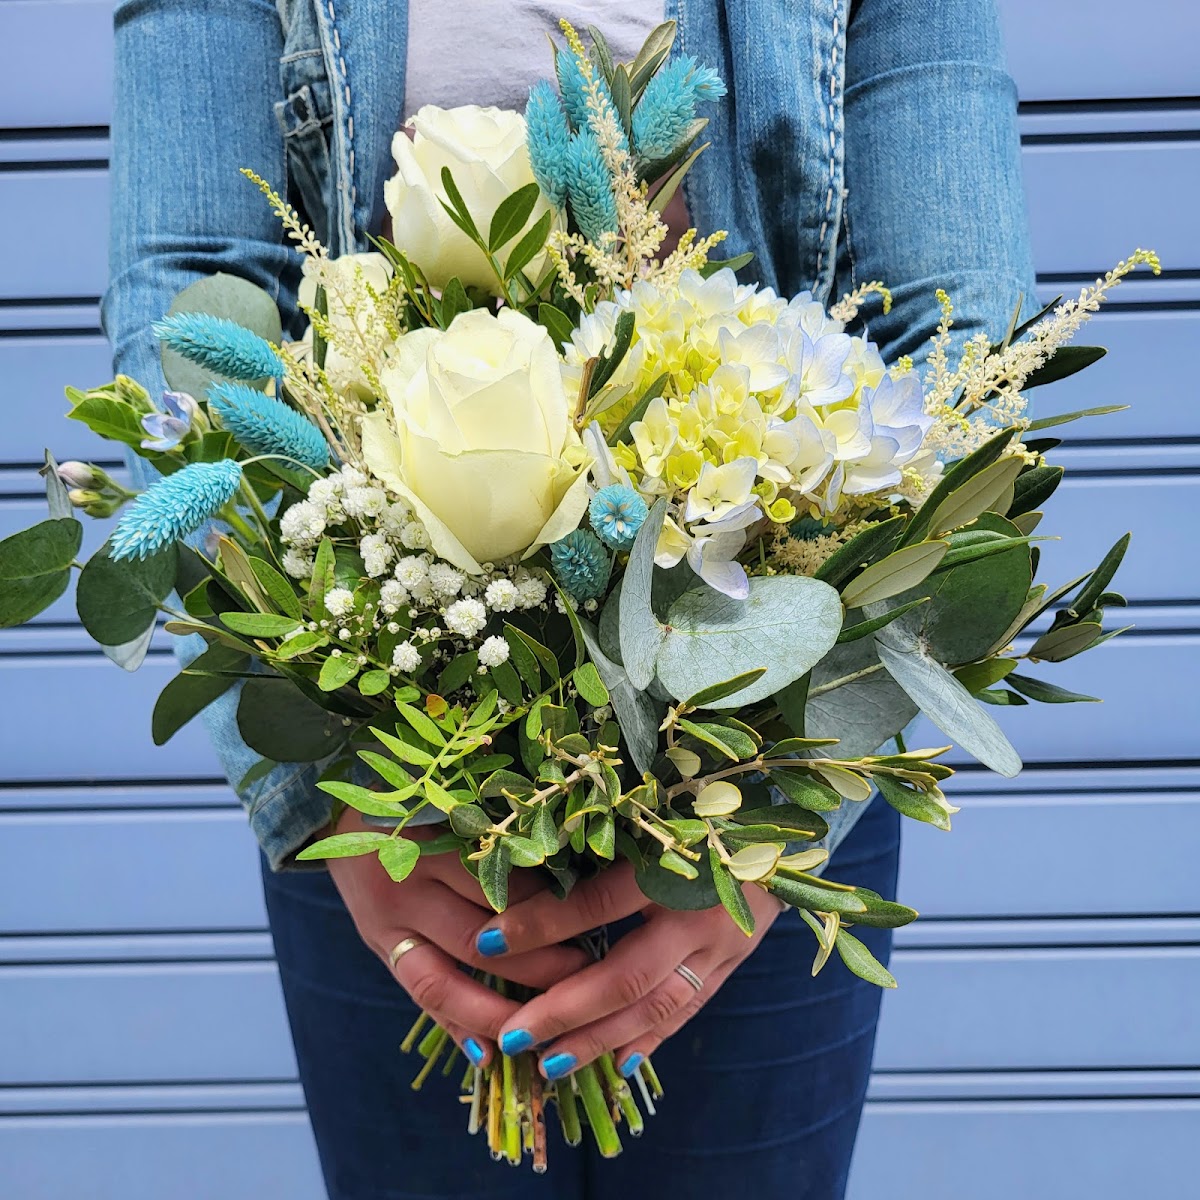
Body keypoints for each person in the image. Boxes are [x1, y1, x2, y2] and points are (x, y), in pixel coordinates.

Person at [103, 1, 1037, 1196]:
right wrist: (322, 789)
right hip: (389, 790)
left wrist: (777, 821)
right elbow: (191, 301)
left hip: (762, 763)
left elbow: (959, 347)